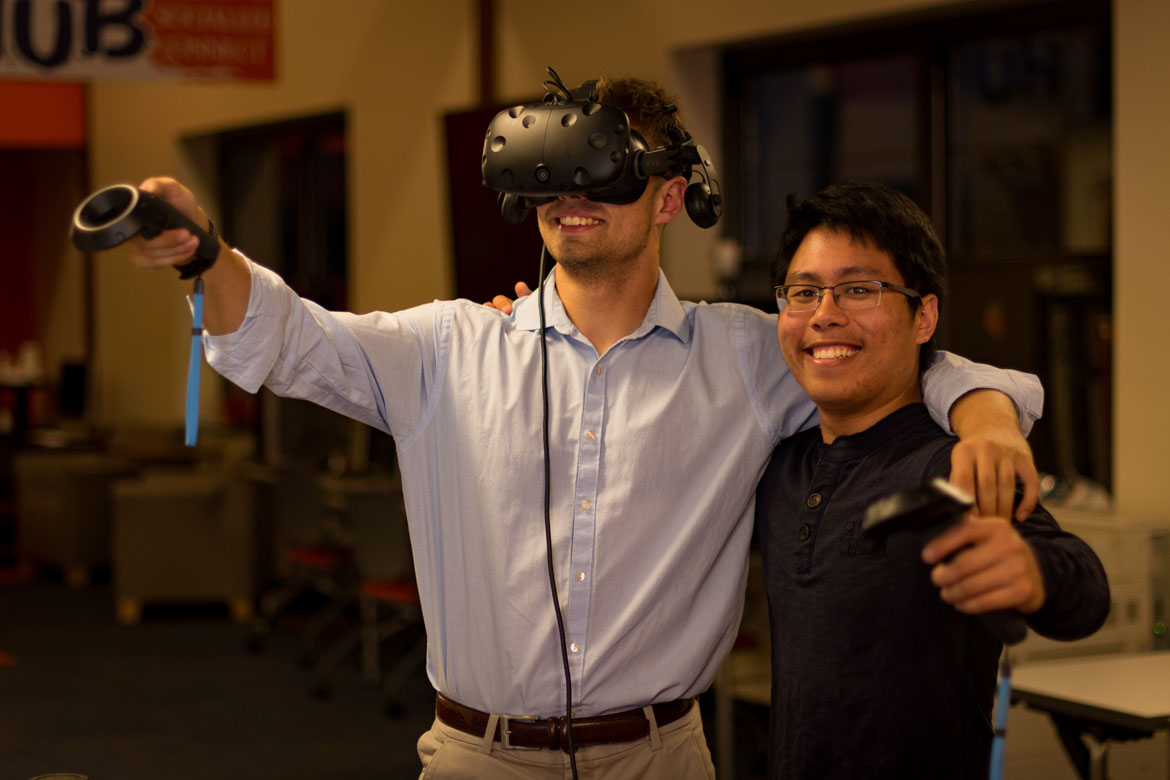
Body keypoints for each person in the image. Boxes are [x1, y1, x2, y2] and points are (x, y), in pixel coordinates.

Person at [122, 78, 1043, 779]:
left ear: (670, 195)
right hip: (477, 756)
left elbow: (902, 360)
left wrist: (990, 418)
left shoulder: (749, 357)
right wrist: (204, 255)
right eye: (551, 172)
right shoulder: (448, 346)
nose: (572, 195)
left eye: (603, 171)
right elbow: (290, 339)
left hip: (659, 755)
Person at [755, 181, 1110, 780]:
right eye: (804, 292)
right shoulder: (780, 467)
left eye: (859, 289)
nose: (825, 315)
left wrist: (1032, 574)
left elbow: (1085, 586)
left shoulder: (949, 466)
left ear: (925, 316)